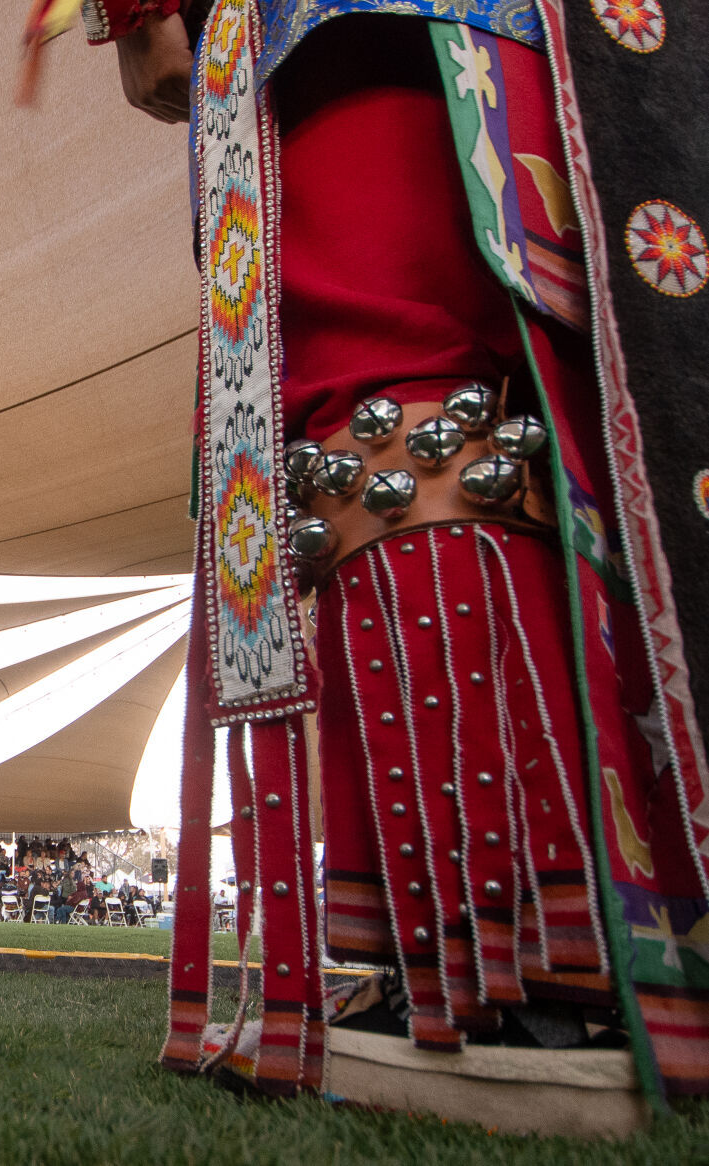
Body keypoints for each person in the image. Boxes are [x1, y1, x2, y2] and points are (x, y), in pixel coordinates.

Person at [74, 0, 709, 1125]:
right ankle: (575, 940)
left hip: (373, 33)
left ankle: (508, 964)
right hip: (557, 48)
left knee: (391, 371)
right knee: (556, 381)